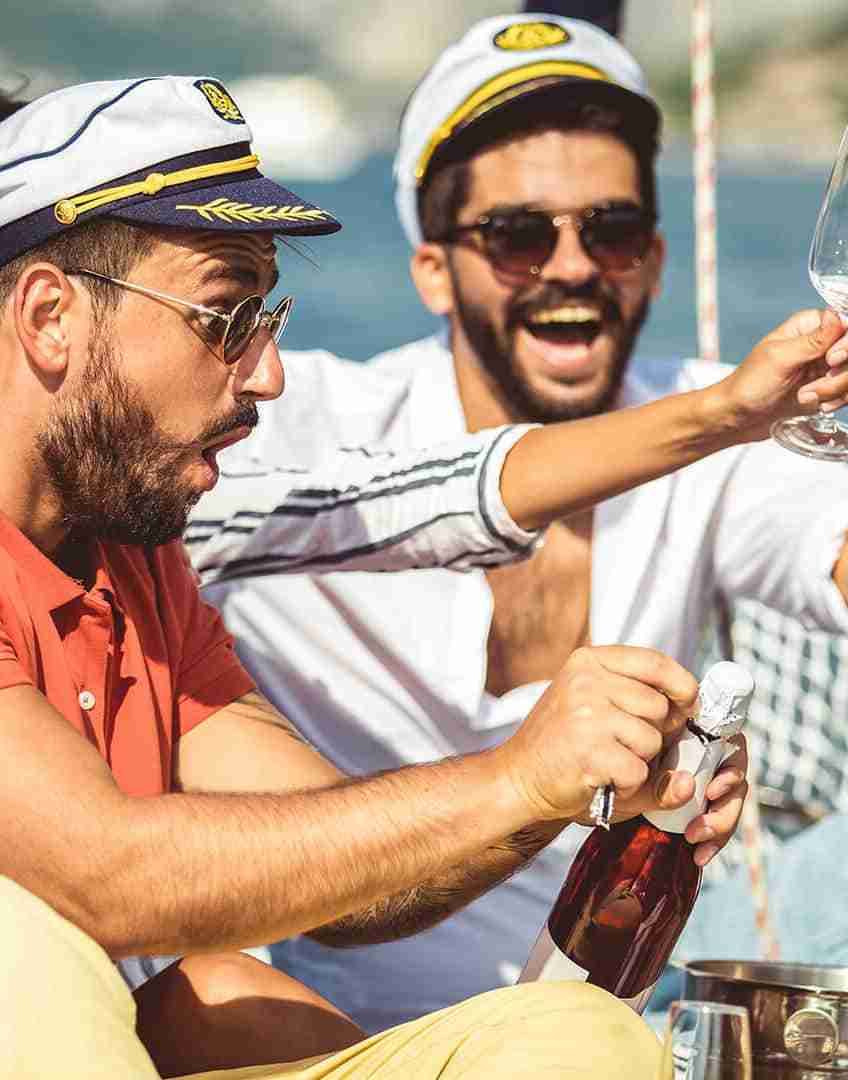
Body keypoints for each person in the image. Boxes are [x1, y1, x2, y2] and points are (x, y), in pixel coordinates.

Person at [181, 7, 848, 1052]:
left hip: (639, 982)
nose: (572, 266)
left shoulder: (719, 416)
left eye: (611, 231)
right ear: (433, 269)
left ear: (650, 256)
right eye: (517, 235)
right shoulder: (292, 416)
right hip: (345, 1020)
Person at [0, 74, 771, 1080]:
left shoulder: (135, 559)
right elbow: (110, 877)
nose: (268, 373)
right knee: (27, 948)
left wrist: (561, 791)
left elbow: (355, 883)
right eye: (223, 318)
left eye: (265, 320)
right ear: (50, 316)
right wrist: (510, 776)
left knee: (576, 1039)